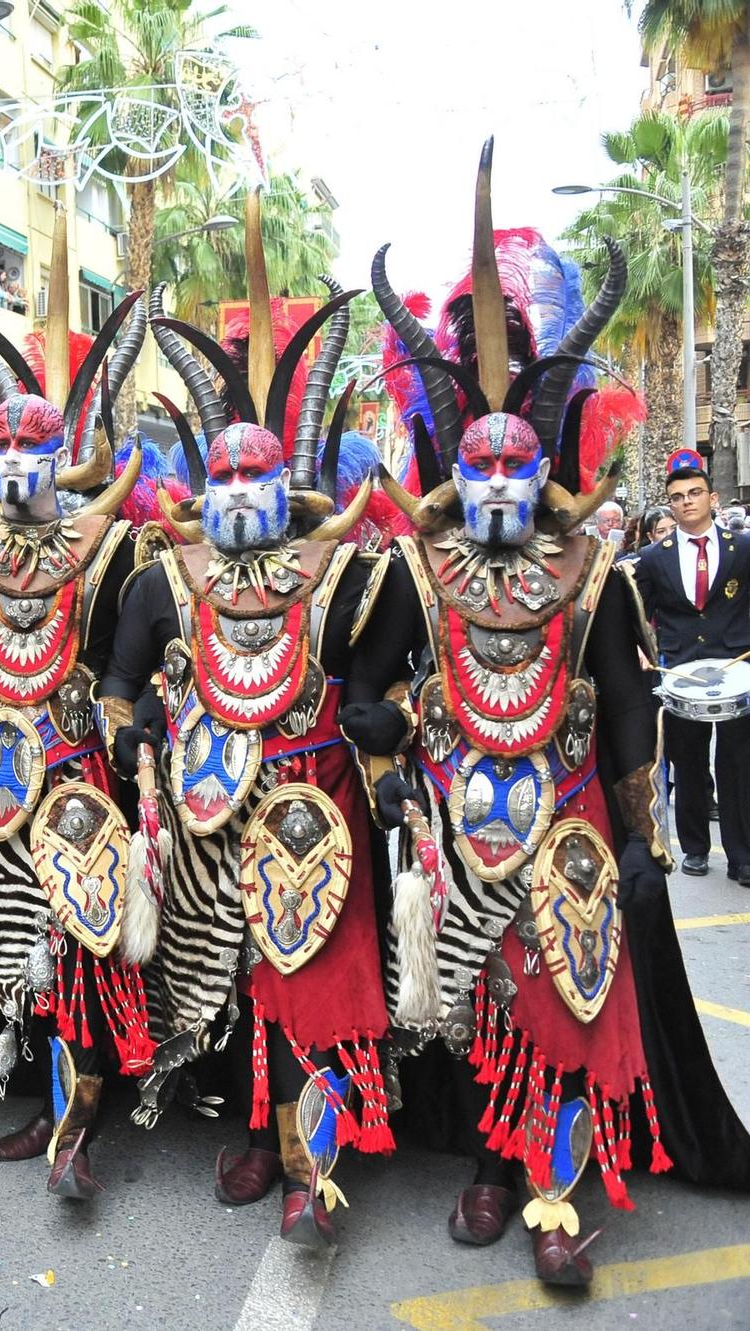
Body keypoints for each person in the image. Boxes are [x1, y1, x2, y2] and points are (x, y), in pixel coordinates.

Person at [350, 148, 749, 1285]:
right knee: (474, 996)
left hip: (565, 825)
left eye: (512, 468)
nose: (491, 490)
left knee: (562, 1003)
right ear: (447, 469)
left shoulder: (591, 572)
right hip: (453, 830)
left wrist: (639, 838)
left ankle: (555, 1190)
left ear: (546, 470)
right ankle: (487, 1158)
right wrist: (379, 753)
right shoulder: (416, 573)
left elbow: (627, 714)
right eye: (473, 468)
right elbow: (368, 685)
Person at [107, 269, 393, 1247]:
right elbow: (119, 683)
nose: (235, 492)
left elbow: (383, 679)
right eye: (219, 477)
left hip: (314, 801)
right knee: (229, 978)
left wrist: (382, 725)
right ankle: (254, 1130)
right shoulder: (161, 577)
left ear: (286, 480)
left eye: (252, 475)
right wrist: (131, 726)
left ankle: (311, 1156)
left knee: (304, 974)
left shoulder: (343, 571)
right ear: (200, 486)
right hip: (204, 804)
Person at [0, 275, 153, 1202]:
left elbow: (131, 667)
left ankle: (79, 1116)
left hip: (76, 778)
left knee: (77, 945)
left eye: (29, 451)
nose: (11, 468)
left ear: (61, 460)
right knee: (0, 945)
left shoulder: (114, 549)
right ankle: (28, 1083)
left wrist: (133, 734)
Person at [633, 461, 750, 882]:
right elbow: (638, 612)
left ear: (711, 498)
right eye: (678, 497)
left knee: (740, 764)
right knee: (689, 763)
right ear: (672, 504)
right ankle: (696, 848)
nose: (687, 503)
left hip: (738, 671)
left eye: (695, 493)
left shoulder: (744, 547)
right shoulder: (651, 558)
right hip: (681, 674)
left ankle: (742, 855)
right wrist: (643, 651)